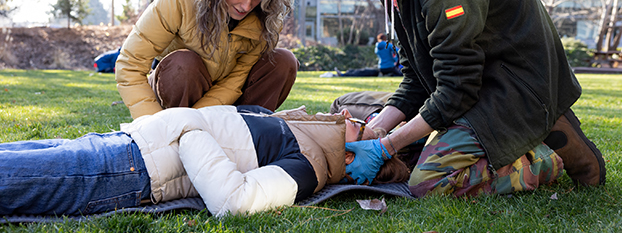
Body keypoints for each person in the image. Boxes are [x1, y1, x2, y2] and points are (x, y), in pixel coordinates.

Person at [316, 0, 605, 196]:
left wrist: (387, 146)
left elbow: (458, 89)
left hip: (513, 91)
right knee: (349, 106)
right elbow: (417, 77)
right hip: (474, 89)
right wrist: (377, 130)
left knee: (427, 183)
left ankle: (543, 155)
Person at [0, 105, 409, 217]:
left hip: (130, 170)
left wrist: (189, 131)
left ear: (359, 160)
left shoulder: (309, 167)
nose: (355, 118)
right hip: (124, 142)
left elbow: (236, 202)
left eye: (365, 126)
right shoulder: (296, 126)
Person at [116, 0, 299, 119]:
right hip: (178, 88)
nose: (246, 5)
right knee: (183, 64)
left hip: (227, 100)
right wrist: (154, 125)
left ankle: (247, 132)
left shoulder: (265, 16)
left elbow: (234, 83)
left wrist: (199, 120)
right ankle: (177, 128)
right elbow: (130, 64)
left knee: (283, 61)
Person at [333, 33, 401, 77]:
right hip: (390, 67)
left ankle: (348, 72)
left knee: (365, 71)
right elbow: (399, 52)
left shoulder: (377, 47)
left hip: (381, 66)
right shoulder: (389, 45)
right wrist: (397, 62)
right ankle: (346, 74)